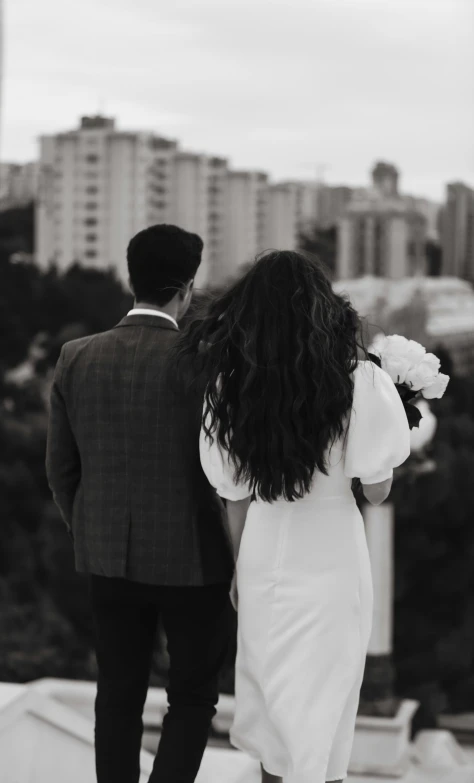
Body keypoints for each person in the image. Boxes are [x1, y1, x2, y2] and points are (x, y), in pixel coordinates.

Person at [175, 250, 411, 783]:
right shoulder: (360, 381)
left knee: (273, 694)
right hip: (333, 551)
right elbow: (376, 492)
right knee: (326, 698)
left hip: (265, 545)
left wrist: (240, 567)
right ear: (324, 309)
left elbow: (232, 493)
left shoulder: (227, 387)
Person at [46, 224, 234, 783]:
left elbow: (61, 469)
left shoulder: (75, 357)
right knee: (193, 697)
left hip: (106, 557)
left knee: (118, 694)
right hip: (195, 559)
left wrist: (90, 529)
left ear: (133, 280)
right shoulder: (207, 362)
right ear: (187, 288)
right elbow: (228, 468)